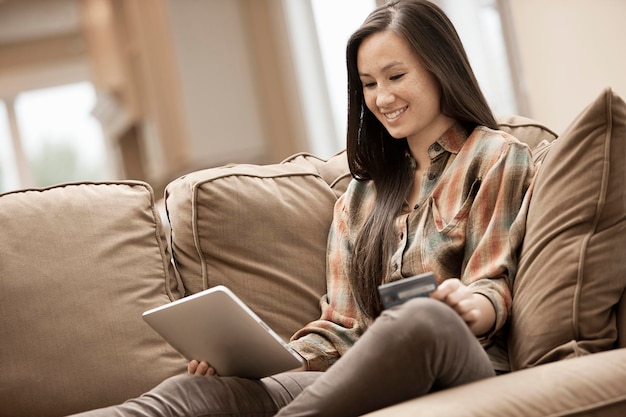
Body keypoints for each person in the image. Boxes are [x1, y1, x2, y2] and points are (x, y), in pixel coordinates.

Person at [72, 0, 534, 416]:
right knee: (194, 394)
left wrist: (469, 304)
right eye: (369, 84)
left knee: (424, 317)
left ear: (440, 68)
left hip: (460, 356)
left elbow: (493, 282)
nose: (382, 98)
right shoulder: (360, 197)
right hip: (365, 375)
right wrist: (263, 360)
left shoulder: (495, 156)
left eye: (396, 76)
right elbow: (342, 327)